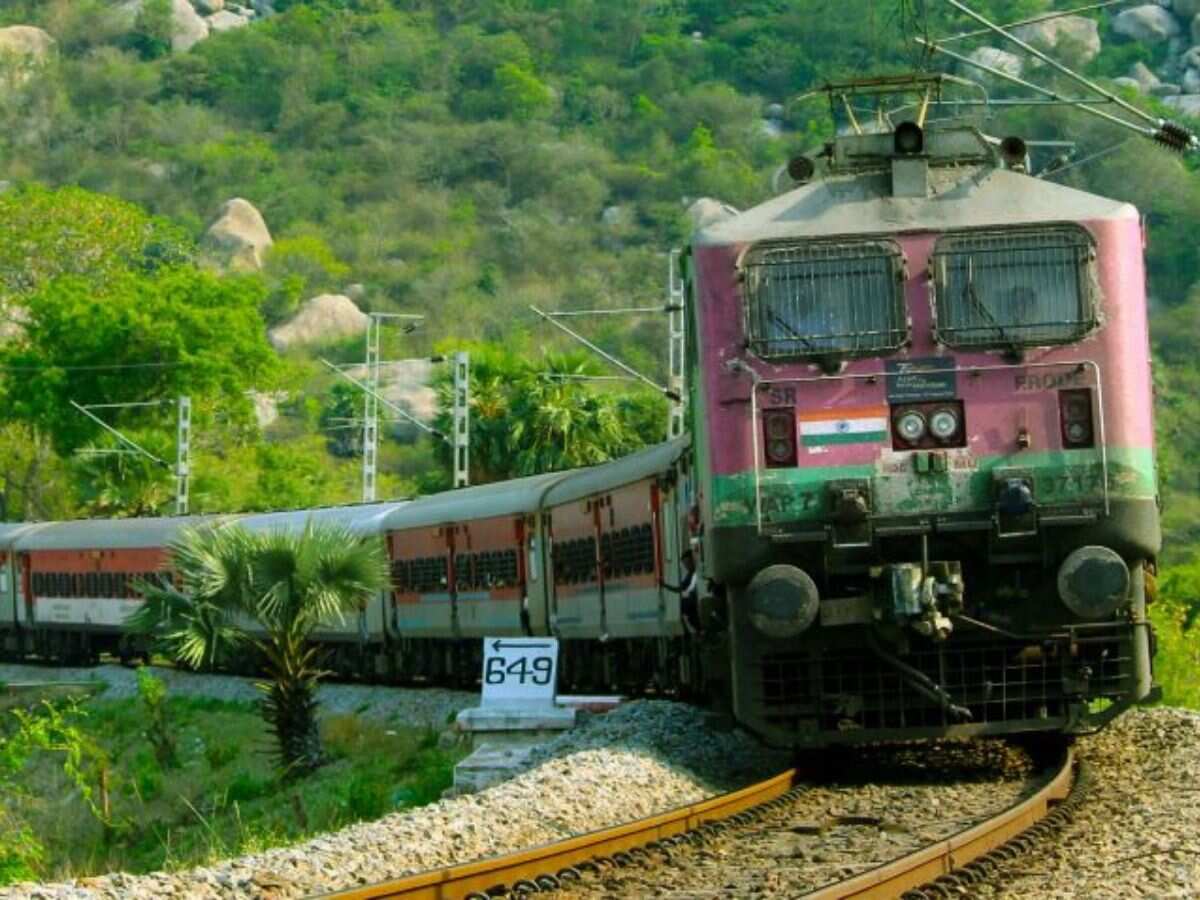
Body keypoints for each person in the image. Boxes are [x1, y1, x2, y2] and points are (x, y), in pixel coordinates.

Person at [665, 550, 701, 635]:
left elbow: (681, 588)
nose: (687, 566)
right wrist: (665, 586)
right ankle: (695, 631)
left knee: (683, 606)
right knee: (681, 606)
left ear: (693, 560)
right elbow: (680, 588)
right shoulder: (690, 574)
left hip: (697, 600)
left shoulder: (698, 571)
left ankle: (691, 632)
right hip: (694, 601)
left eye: (688, 563)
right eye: (685, 564)